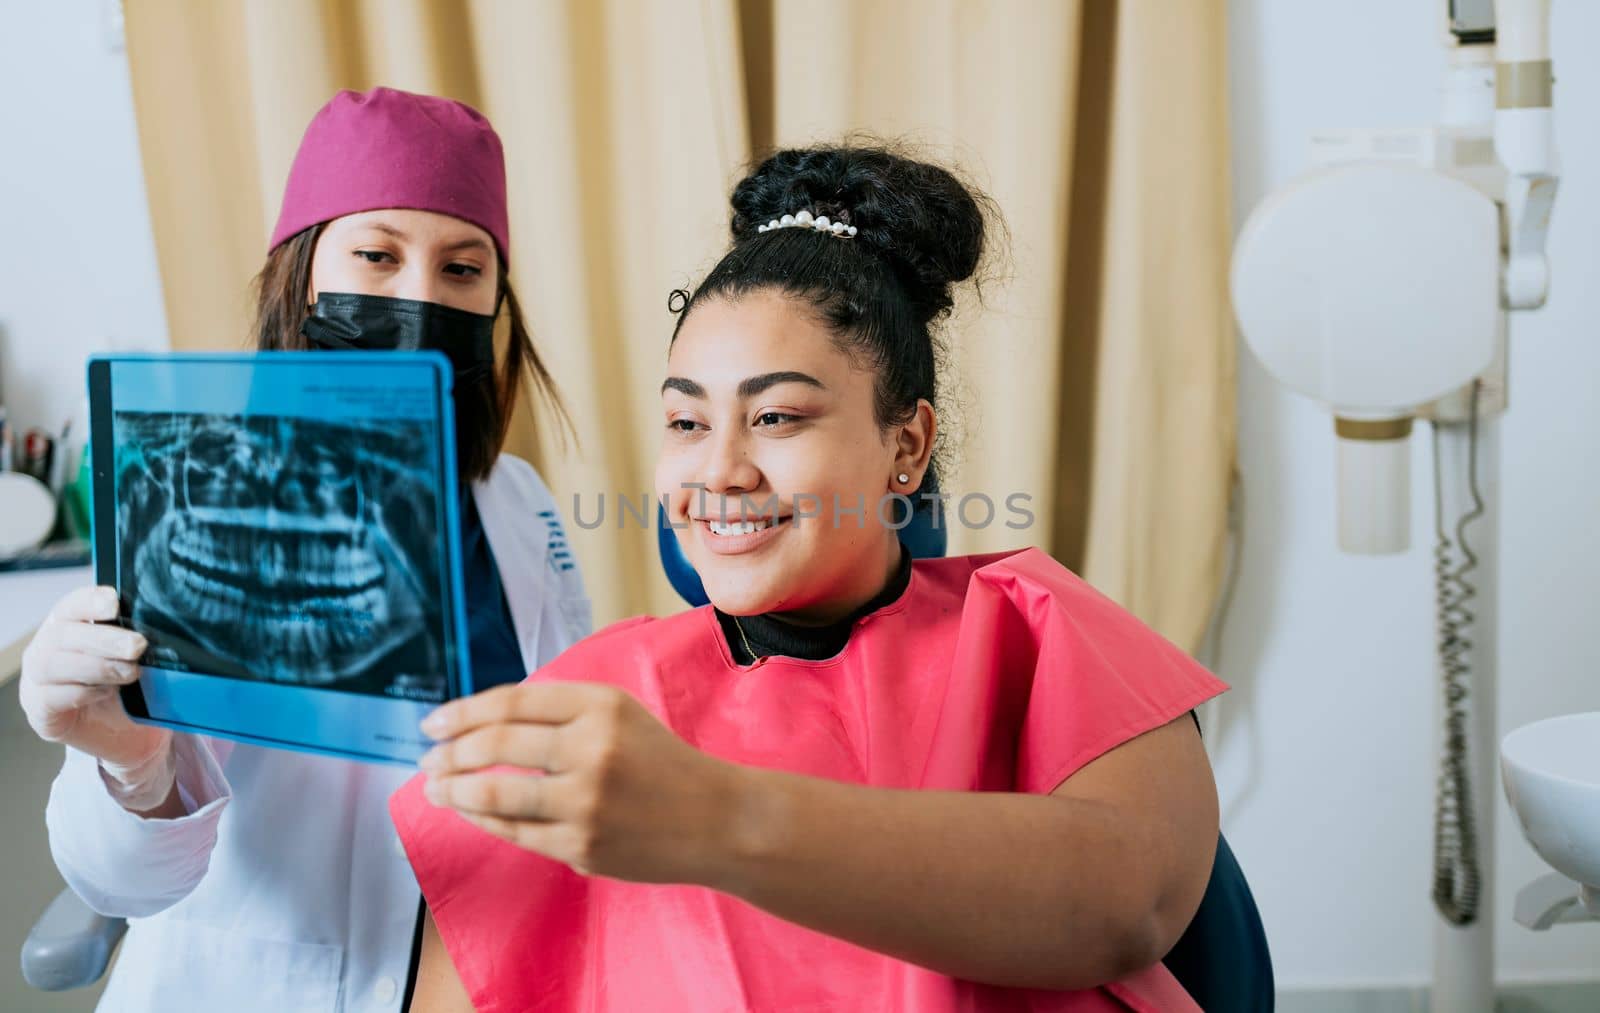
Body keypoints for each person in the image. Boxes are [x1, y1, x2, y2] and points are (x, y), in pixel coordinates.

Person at [396, 144, 1225, 1012]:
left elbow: (1129, 902)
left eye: (777, 416)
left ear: (906, 444)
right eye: (686, 419)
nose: (719, 469)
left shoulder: (1040, 627)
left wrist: (714, 816)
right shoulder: (593, 701)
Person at [19, 87, 591, 1011]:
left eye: (462, 268)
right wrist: (128, 761)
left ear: (495, 301)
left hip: (495, 964)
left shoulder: (515, 501)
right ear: (303, 275)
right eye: (376, 255)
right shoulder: (198, 493)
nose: (418, 297)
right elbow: (119, 880)